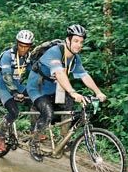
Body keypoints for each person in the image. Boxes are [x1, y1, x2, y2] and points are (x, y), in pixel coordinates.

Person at [26, 24, 107, 162]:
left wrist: (98, 92)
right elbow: (59, 73)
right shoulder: (54, 52)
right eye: (76, 41)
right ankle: (33, 143)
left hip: (55, 89)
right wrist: (72, 92)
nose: (79, 45)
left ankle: (64, 140)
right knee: (48, 113)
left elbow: (84, 76)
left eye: (81, 42)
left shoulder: (75, 58)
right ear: (68, 40)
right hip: (37, 88)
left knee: (68, 107)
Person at [0, 30, 34, 152]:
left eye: (26, 46)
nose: (23, 49)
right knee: (14, 112)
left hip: (18, 84)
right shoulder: (7, 55)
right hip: (4, 86)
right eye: (21, 45)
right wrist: (14, 93)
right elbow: (6, 75)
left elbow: (33, 73)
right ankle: (0, 136)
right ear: (17, 43)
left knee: (37, 101)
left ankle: (35, 131)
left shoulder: (28, 57)